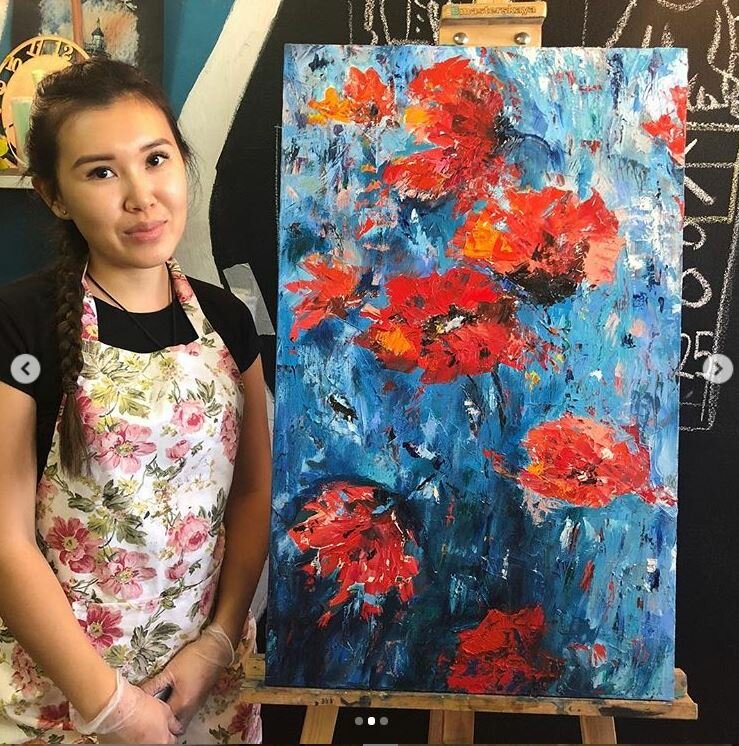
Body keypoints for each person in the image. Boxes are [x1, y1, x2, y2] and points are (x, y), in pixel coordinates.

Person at [0, 59, 271, 744]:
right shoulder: (20, 324)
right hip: (66, 698)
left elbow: (250, 495)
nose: (141, 197)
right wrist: (111, 708)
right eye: (101, 172)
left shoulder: (228, 321)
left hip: (206, 692)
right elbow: (4, 539)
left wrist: (217, 643)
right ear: (54, 196)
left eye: (156, 159)